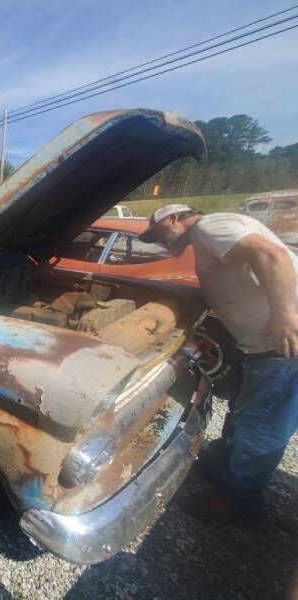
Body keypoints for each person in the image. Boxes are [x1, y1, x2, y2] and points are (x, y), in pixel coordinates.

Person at [139, 204, 298, 523]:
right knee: (245, 411)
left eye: (157, 233)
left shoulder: (210, 227)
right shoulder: (209, 235)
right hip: (260, 347)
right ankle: (226, 467)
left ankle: (239, 501)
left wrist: (285, 315)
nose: (158, 242)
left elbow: (271, 256)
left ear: (175, 218)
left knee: (261, 424)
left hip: (279, 345)